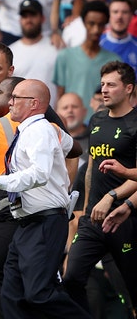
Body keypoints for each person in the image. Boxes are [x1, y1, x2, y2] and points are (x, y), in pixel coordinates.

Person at [0, 79, 90, 319]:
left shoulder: (39, 130)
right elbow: (71, 148)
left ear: (34, 104)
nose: (9, 102)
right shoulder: (39, 129)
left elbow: (40, 173)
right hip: (27, 223)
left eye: (16, 98)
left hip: (44, 222)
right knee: (11, 294)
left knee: (39, 294)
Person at [63, 61, 137, 314]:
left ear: (128, 88)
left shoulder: (135, 124)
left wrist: (112, 197)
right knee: (71, 278)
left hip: (125, 220)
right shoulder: (97, 118)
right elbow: (93, 164)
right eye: (102, 84)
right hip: (93, 219)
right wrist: (86, 208)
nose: (104, 90)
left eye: (111, 85)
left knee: (131, 292)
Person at [54, 0, 121, 120]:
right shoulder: (65, 56)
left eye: (100, 24)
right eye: (91, 23)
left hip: (103, 123)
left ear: (105, 25)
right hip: (71, 124)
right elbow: (60, 96)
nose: (96, 29)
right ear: (84, 23)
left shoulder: (114, 60)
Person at [9, 0, 58, 106]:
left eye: (33, 15)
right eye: (24, 16)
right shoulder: (10, 51)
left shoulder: (56, 48)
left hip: (51, 113)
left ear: (43, 18)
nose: (28, 20)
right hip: (20, 114)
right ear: (20, 20)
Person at [100, 0, 137, 73]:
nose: (119, 16)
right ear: (108, 16)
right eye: (115, 12)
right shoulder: (98, 43)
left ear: (131, 16)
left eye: (124, 12)